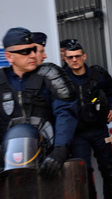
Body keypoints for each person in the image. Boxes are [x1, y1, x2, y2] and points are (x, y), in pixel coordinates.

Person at [1, 27, 78, 179]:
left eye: (33, 50)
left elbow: (65, 113)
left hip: (48, 163)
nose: (33, 55)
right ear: (9, 56)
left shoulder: (49, 76)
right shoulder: (1, 82)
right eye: (25, 52)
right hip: (9, 169)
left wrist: (60, 151)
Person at [64, 39, 112, 199]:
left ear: (84, 56)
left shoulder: (98, 75)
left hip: (99, 130)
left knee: (109, 170)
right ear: (65, 59)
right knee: (84, 175)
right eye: (70, 57)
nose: (74, 60)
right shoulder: (63, 80)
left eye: (77, 56)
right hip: (78, 134)